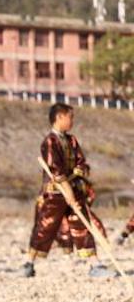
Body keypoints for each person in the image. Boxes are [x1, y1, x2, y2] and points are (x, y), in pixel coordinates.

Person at [24, 103, 115, 278]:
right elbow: (56, 171)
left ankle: (94, 264)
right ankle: (29, 263)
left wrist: (76, 180)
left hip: (74, 189)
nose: (72, 120)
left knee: (83, 226)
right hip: (56, 192)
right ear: (59, 117)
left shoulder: (72, 140)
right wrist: (67, 192)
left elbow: (81, 162)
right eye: (70, 117)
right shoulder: (49, 142)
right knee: (45, 226)